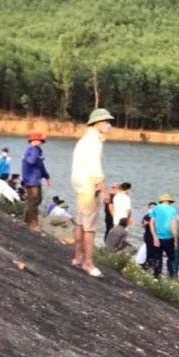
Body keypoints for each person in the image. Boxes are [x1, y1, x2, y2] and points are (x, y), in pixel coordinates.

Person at [70, 108, 115, 278]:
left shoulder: (84, 140)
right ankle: (88, 263)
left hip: (80, 185)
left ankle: (78, 257)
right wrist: (103, 190)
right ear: (99, 123)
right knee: (90, 226)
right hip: (89, 186)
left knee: (81, 222)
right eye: (107, 122)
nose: (109, 126)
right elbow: (95, 168)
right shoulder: (93, 142)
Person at [21, 132, 52, 230]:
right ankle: (33, 224)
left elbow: (41, 167)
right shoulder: (33, 150)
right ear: (34, 141)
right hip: (31, 180)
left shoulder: (36, 152)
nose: (41, 143)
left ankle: (26, 220)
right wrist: (36, 152)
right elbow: (31, 161)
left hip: (34, 179)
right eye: (40, 141)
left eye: (42, 141)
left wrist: (47, 177)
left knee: (36, 200)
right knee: (34, 201)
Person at [150, 193, 179, 278]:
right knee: (171, 258)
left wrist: (154, 237)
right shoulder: (173, 210)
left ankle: (156, 277)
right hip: (169, 238)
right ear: (169, 201)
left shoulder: (156, 209)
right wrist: (176, 240)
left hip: (157, 237)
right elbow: (173, 226)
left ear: (161, 201)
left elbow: (152, 223)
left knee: (158, 258)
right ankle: (171, 276)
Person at [141, 201, 158, 270]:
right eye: (151, 207)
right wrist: (146, 224)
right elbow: (142, 225)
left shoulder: (158, 216)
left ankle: (153, 265)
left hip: (157, 236)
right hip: (148, 235)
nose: (152, 209)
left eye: (154, 207)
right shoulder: (146, 216)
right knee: (149, 251)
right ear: (148, 208)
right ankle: (147, 265)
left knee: (155, 252)